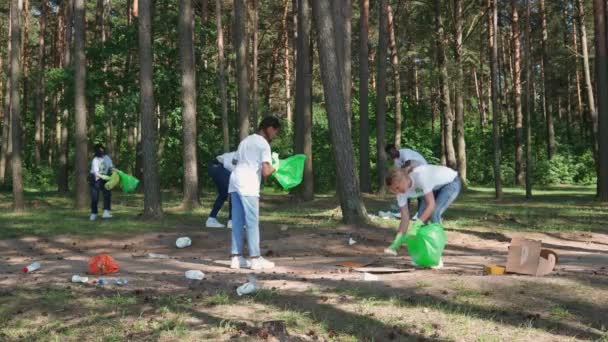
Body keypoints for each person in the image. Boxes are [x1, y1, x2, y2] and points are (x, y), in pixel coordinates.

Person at [228, 116, 281, 270]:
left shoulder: (245, 141)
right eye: (275, 132)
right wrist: (276, 166)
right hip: (248, 184)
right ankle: (255, 258)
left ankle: (236, 258)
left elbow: (234, 161)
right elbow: (265, 171)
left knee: (237, 221)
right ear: (270, 128)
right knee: (252, 222)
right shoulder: (263, 144)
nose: (275, 135)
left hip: (234, 182)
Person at [383, 164, 461, 263]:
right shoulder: (400, 193)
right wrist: (396, 242)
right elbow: (405, 218)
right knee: (421, 217)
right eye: (394, 190)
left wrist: (416, 225)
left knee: (434, 213)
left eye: (397, 188)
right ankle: (424, 256)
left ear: (403, 180)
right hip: (433, 188)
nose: (397, 192)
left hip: (451, 182)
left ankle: (436, 256)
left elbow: (431, 205)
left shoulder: (420, 177)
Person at [385, 144, 428, 218]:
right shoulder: (396, 161)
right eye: (389, 153)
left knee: (419, 191)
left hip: (422, 169)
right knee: (404, 190)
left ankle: (419, 213)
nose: (391, 155)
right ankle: (404, 212)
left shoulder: (404, 152)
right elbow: (400, 172)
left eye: (391, 152)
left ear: (395, 149)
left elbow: (408, 164)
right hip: (413, 172)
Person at [205, 151, 237, 229]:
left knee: (223, 194)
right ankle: (231, 221)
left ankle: (211, 219)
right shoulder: (244, 154)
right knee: (234, 192)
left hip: (215, 167)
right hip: (219, 167)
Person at [89, 144, 114, 221]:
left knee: (107, 195)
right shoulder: (95, 160)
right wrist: (103, 177)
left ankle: (106, 212)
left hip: (105, 178)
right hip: (95, 179)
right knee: (94, 197)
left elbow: (111, 167)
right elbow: (96, 173)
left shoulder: (107, 158)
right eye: (99, 150)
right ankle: (94, 213)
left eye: (102, 149)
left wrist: (115, 171)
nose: (101, 151)